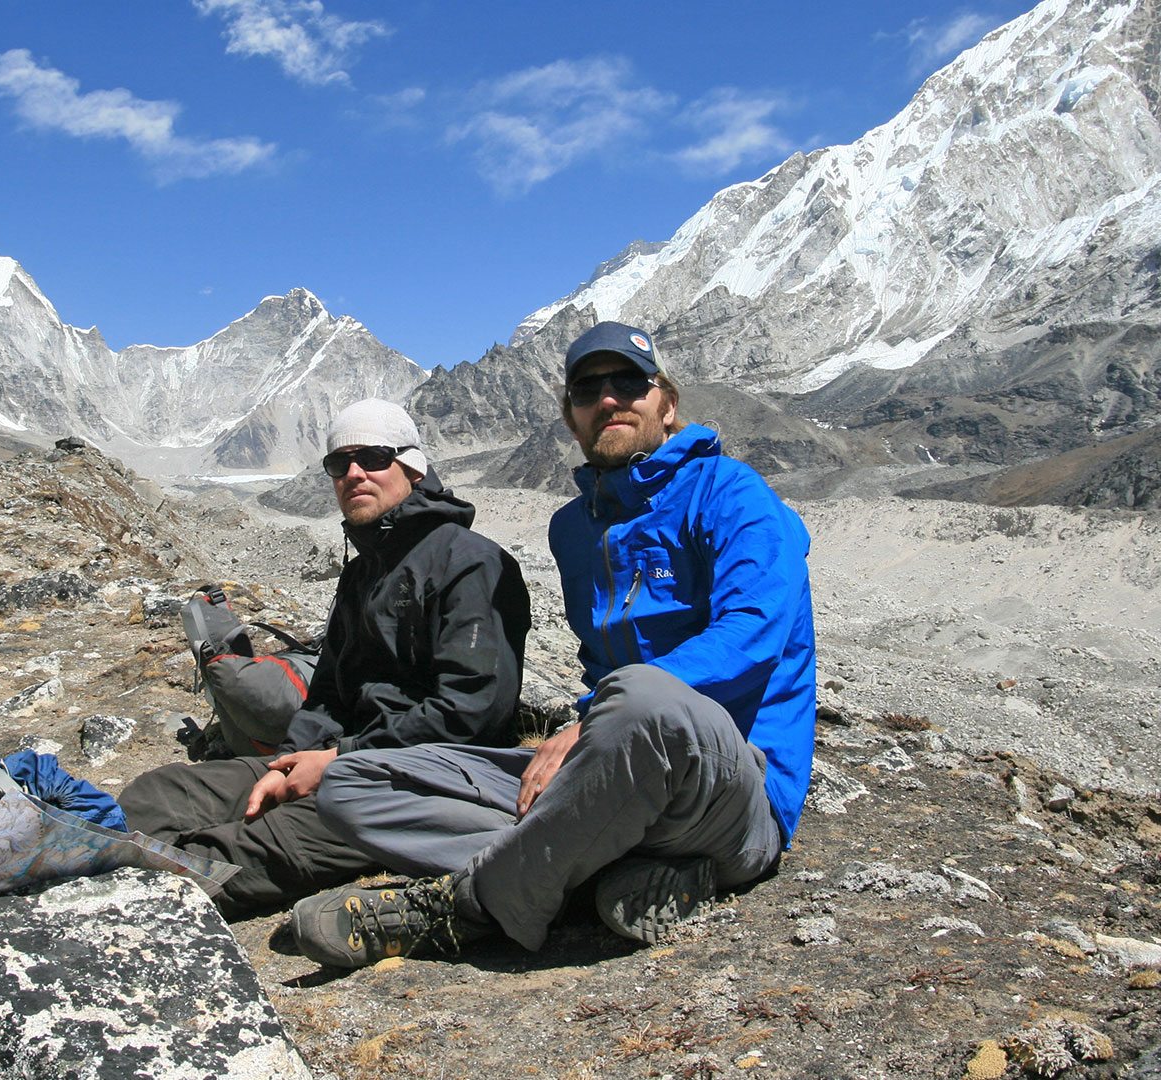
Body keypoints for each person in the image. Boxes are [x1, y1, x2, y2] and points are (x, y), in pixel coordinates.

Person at [290, 321, 816, 966]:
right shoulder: (574, 528)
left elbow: (752, 635)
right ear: (570, 418)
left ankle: (466, 907)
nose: (610, 399)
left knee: (642, 694)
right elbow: (600, 664)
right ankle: (600, 871)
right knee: (352, 783)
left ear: (667, 403)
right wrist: (593, 728)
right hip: (615, 769)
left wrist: (596, 715)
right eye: (588, 389)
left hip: (732, 790)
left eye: (630, 382)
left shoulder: (733, 495)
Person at [119, 399, 532, 918]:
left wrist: (339, 759)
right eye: (339, 464)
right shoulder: (362, 574)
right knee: (164, 792)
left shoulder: (470, 563)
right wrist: (287, 761)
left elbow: (473, 711)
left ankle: (107, 897)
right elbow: (330, 692)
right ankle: (71, 854)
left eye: (374, 457)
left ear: (411, 465)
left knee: (233, 851)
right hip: (346, 759)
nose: (354, 473)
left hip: (426, 775)